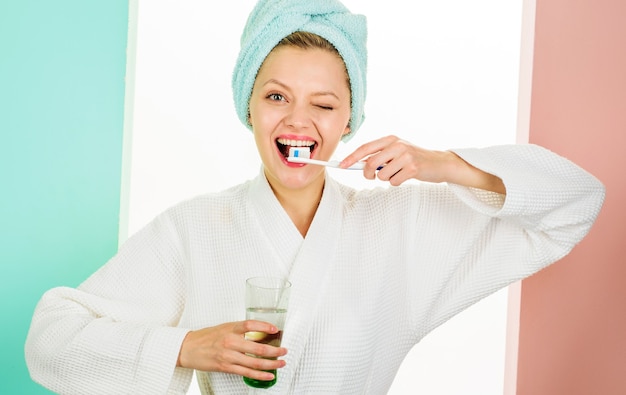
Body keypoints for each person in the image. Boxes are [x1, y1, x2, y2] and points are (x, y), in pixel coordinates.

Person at [25, 0, 605, 393]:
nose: (298, 121)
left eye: (323, 104)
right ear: (246, 106)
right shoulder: (193, 230)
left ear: (349, 120)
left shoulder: (400, 230)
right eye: (277, 97)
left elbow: (577, 200)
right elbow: (49, 342)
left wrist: (442, 165)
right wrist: (184, 347)